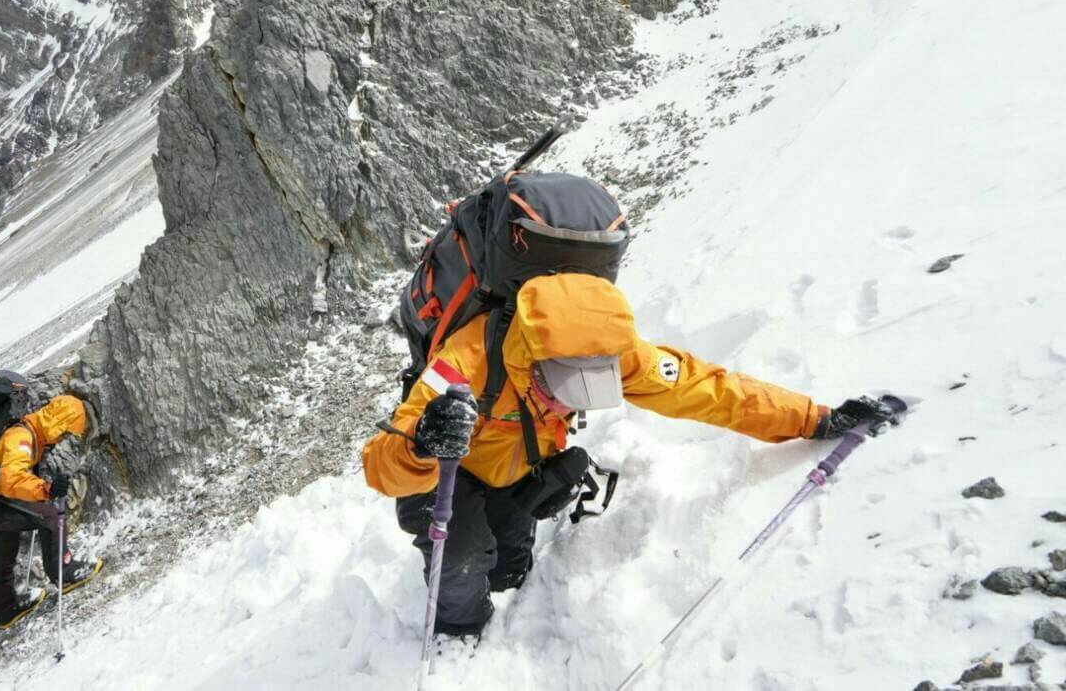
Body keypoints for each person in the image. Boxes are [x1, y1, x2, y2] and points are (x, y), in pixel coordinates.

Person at [362, 272, 898, 638]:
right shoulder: (467, 361)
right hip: (443, 474)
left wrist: (815, 419)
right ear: (536, 360)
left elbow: (710, 390)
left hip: (513, 468)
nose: (570, 401)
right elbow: (379, 466)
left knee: (506, 572)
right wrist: (424, 443)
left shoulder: (615, 356)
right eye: (563, 387)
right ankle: (458, 633)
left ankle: (517, 532)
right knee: (460, 562)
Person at [0, 377, 104, 629]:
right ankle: (65, 574)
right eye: (66, 431)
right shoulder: (22, 437)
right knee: (50, 516)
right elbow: (11, 481)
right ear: (58, 423)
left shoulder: (28, 431)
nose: (61, 439)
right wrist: (44, 489)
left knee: (2, 547)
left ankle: (5, 609)